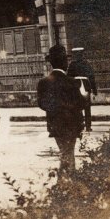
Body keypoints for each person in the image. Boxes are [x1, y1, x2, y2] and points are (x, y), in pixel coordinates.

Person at [37, 44, 85, 173]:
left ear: (51, 63)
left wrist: (57, 109)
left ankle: (65, 184)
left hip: (55, 125)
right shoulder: (72, 82)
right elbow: (81, 104)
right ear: (65, 62)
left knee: (65, 154)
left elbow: (42, 104)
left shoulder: (43, 82)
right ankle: (66, 185)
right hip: (71, 125)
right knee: (68, 155)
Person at [67, 47, 96, 132]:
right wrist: (94, 90)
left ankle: (79, 125)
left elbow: (69, 77)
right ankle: (88, 126)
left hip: (75, 86)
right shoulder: (86, 64)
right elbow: (92, 77)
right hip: (86, 86)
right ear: (82, 54)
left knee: (76, 107)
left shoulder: (72, 64)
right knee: (87, 107)